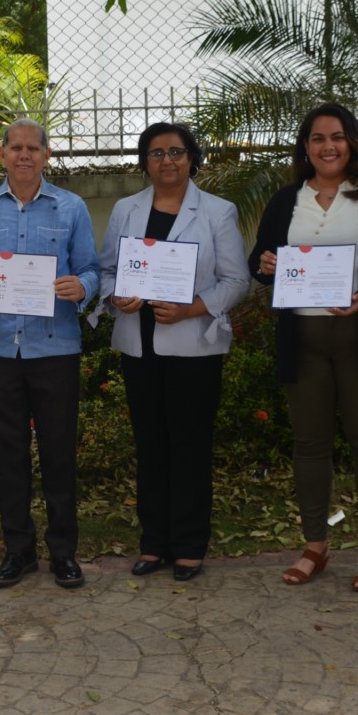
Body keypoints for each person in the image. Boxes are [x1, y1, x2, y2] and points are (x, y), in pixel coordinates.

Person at [249, 102, 358, 592]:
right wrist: (264, 265)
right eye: (318, 138)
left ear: (354, 143)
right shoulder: (286, 201)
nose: (328, 146)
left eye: (338, 137)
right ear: (306, 147)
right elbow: (259, 261)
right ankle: (315, 544)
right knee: (309, 444)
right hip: (302, 338)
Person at [97, 123, 249, 582]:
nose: (167, 160)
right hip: (138, 345)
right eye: (157, 152)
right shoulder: (126, 210)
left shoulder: (217, 212)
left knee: (189, 446)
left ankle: (189, 544)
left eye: (177, 152)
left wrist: (193, 309)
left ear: (192, 158)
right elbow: (106, 270)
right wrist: (114, 296)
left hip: (193, 346)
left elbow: (237, 281)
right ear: (145, 161)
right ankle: (154, 543)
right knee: (150, 447)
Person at [0, 117, 100, 589]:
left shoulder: (71, 208)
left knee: (58, 454)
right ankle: (18, 551)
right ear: (1, 154)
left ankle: (63, 553)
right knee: (8, 455)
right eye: (14, 147)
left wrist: (82, 287)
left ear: (47, 155)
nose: (23, 156)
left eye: (32, 148)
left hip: (54, 348)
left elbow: (91, 270)